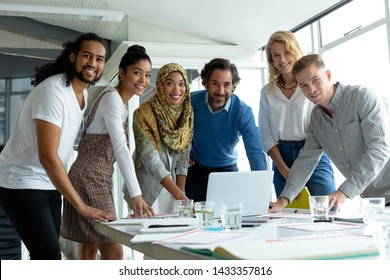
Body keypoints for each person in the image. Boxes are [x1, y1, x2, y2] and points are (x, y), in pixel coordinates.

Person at [0, 33, 114, 260]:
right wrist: (81, 206)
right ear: (73, 57)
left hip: (48, 184)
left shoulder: (80, 95)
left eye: (99, 59)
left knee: (46, 256)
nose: (93, 63)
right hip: (21, 182)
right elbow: (48, 156)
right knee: (48, 256)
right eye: (87, 56)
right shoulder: (53, 92)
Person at [61, 45, 155, 260]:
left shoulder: (120, 103)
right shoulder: (112, 99)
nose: (143, 79)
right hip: (89, 178)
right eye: (137, 72)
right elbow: (121, 149)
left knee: (90, 244)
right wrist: (136, 194)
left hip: (94, 177)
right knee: (113, 250)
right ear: (122, 74)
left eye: (148, 75)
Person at [269, 53, 390, 213]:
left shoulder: (363, 97)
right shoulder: (316, 119)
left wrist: (344, 191)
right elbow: (306, 160)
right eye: (304, 85)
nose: (311, 89)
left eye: (315, 80)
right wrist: (283, 201)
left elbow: (379, 149)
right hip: (373, 202)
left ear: (328, 75)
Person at [259, 31, 335, 199]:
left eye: (287, 52)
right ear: (271, 59)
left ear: (296, 51)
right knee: (288, 217)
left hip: (314, 153)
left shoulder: (310, 86)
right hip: (282, 158)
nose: (282, 59)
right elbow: (265, 136)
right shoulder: (267, 92)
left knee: (326, 211)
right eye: (276, 55)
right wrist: (284, 170)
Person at [186, 58, 268, 202]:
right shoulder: (191, 102)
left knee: (227, 217)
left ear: (234, 86)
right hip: (195, 171)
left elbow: (254, 151)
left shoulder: (242, 112)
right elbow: (172, 130)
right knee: (194, 219)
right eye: (215, 84)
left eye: (226, 85)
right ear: (205, 83)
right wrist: (183, 152)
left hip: (226, 171)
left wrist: (262, 190)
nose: (221, 91)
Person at [124, 63, 193, 213]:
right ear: (161, 86)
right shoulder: (143, 114)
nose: (177, 90)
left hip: (173, 190)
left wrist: (181, 198)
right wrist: (178, 195)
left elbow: (183, 159)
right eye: (170, 83)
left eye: (181, 84)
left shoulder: (186, 114)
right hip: (145, 192)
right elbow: (150, 159)